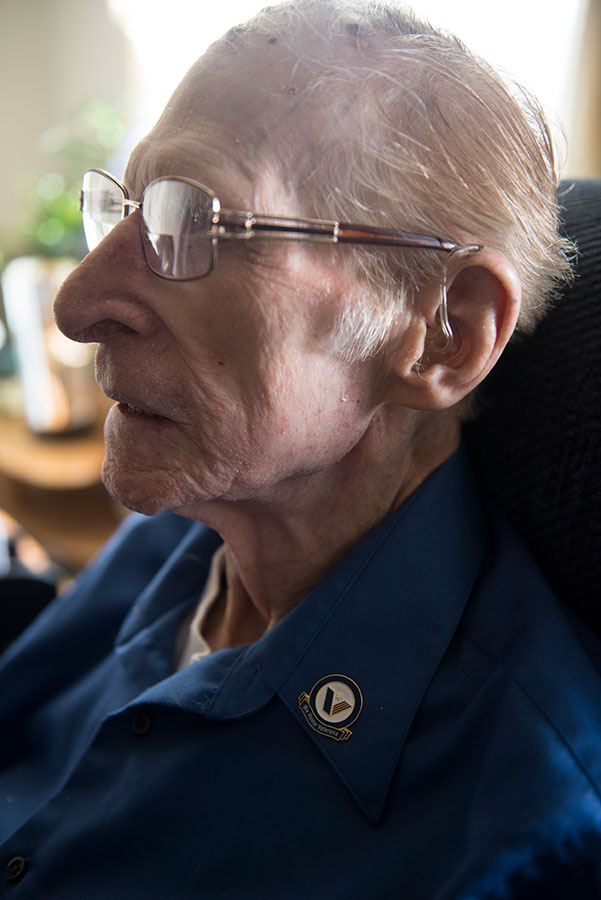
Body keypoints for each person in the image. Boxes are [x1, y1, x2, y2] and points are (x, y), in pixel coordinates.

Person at [1, 2, 601, 897]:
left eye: (191, 224)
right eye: (121, 210)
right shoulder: (197, 519)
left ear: (443, 335)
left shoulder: (509, 837)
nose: (76, 306)